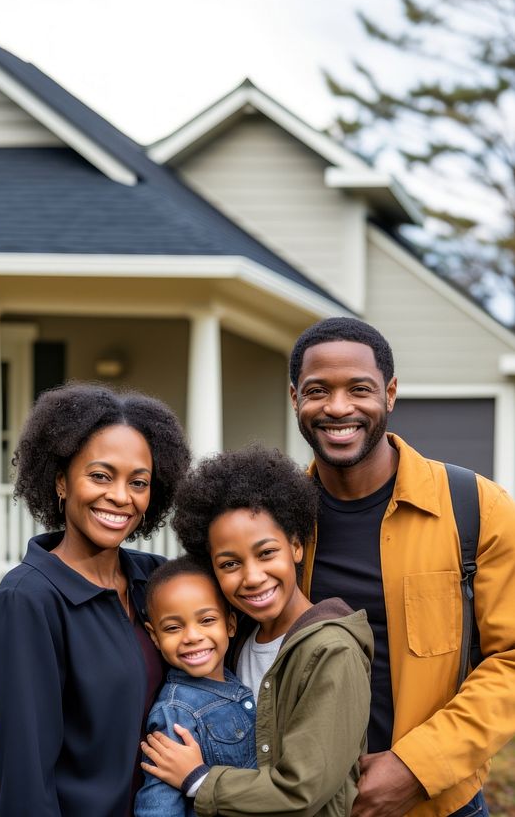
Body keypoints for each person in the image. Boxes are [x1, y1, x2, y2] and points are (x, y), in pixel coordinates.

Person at [289, 316, 515, 817]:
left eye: (360, 389)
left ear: (390, 394)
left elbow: (511, 661)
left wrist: (417, 768)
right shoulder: (277, 520)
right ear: (295, 399)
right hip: (308, 801)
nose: (338, 407)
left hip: (440, 804)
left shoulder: (476, 508)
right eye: (318, 390)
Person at [0, 382, 191, 817]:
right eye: (100, 475)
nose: (120, 496)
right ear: (61, 481)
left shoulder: (154, 580)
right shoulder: (26, 602)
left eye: (139, 482)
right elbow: (24, 779)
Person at [141, 445, 373, 816]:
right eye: (230, 563)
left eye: (266, 553)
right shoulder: (236, 640)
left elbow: (301, 790)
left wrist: (198, 779)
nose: (252, 577)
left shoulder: (332, 651)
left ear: (296, 546)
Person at [134, 555, 257, 817]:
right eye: (173, 627)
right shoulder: (175, 713)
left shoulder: (237, 681)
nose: (192, 637)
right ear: (154, 636)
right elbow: (158, 805)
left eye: (207, 620)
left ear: (230, 624)